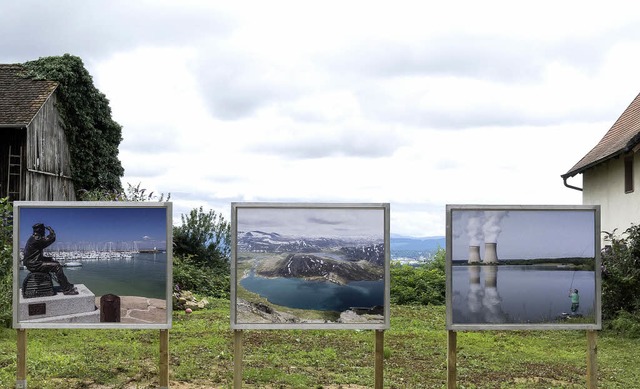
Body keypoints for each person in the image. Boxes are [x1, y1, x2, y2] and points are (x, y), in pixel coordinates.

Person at [23, 223, 78, 295]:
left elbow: (34, 255)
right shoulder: (37, 238)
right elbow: (50, 239)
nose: (44, 233)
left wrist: (48, 258)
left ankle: (66, 284)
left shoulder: (33, 238)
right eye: (43, 231)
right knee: (57, 266)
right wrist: (51, 231)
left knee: (53, 262)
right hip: (34, 265)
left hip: (33, 263)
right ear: (40, 230)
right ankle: (67, 290)